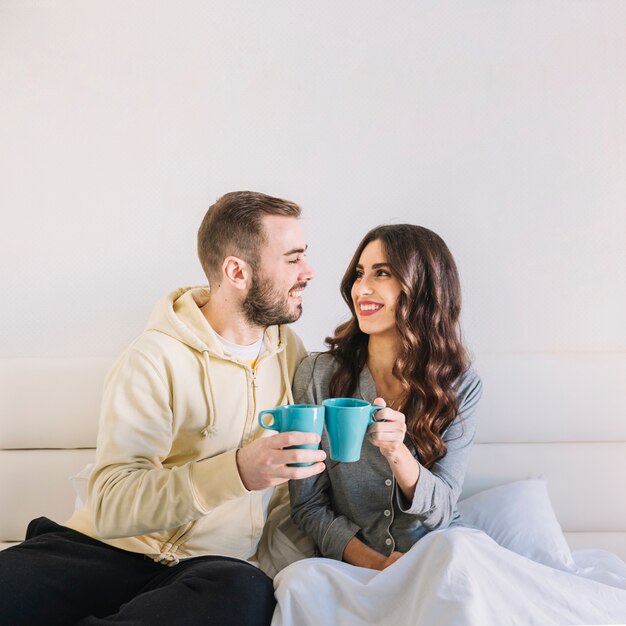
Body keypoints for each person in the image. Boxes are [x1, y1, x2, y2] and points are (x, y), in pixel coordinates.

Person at [0, 191, 326, 625]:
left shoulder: (289, 352)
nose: (308, 271)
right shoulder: (154, 357)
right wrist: (236, 472)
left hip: (208, 569)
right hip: (100, 549)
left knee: (245, 594)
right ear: (236, 271)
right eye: (293, 259)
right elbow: (113, 503)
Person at [288, 224, 482, 570]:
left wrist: (398, 453)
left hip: (438, 558)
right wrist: (376, 564)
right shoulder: (318, 375)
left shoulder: (460, 386)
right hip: (349, 566)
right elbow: (308, 506)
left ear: (423, 288)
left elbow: (443, 510)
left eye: (382, 273)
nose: (362, 288)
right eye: (359, 274)